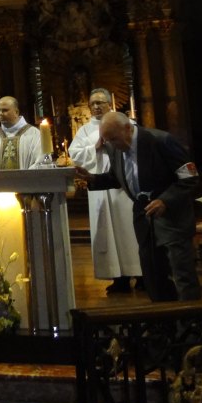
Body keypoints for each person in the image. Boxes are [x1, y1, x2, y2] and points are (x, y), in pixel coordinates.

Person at [78, 110, 200, 302]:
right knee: (153, 274)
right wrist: (91, 179)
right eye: (108, 140)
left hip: (172, 218)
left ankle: (192, 324)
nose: (112, 144)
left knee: (182, 273)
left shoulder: (161, 141)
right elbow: (117, 177)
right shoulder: (114, 146)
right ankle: (164, 321)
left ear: (128, 128)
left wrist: (165, 200)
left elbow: (189, 178)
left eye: (115, 139)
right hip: (143, 217)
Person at [69, 88, 142, 294]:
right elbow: (74, 153)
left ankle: (142, 273)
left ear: (111, 104)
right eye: (92, 103)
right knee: (109, 233)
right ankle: (119, 277)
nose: (96, 106)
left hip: (125, 188)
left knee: (131, 232)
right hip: (101, 188)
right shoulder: (84, 131)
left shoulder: (126, 124)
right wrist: (95, 147)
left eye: (100, 102)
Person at [0, 96, 42, 170]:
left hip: (26, 181)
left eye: (5, 110)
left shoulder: (34, 134)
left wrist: (22, 179)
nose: (0, 113)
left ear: (16, 112)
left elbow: (40, 162)